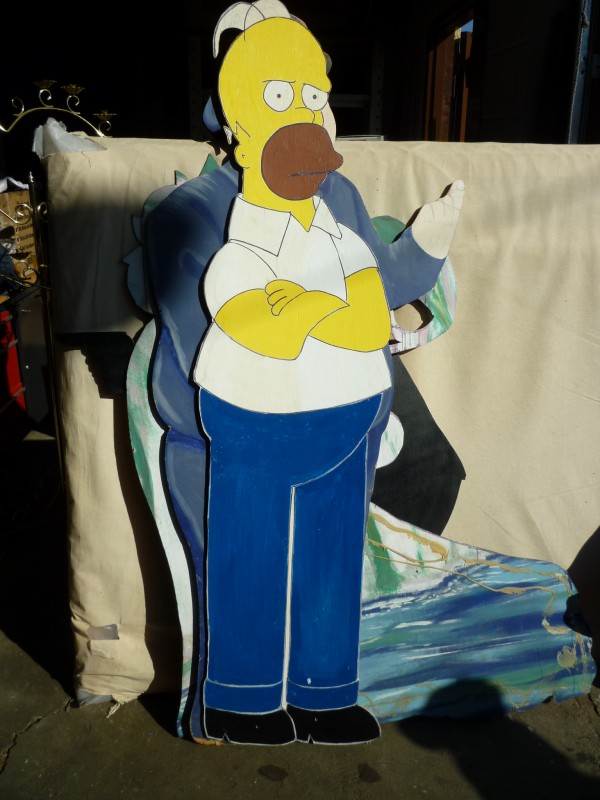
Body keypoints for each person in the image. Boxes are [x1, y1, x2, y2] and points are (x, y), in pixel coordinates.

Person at [193, 0, 464, 745]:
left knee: (332, 555)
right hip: (257, 419)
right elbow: (255, 319)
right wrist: (315, 309)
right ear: (237, 120)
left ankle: (325, 692)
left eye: (313, 95)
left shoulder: (337, 216)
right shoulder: (226, 220)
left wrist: (314, 305)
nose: (307, 114)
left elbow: (369, 311)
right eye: (282, 95)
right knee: (250, 553)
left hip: (346, 415)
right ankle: (243, 698)